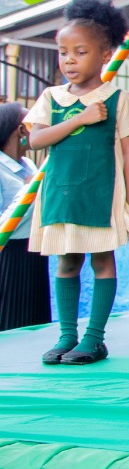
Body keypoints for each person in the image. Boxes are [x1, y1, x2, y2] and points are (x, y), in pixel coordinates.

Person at [25, 0, 129, 366]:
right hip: (61, 194)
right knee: (67, 262)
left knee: (103, 261)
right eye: (63, 53)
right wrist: (80, 118)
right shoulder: (51, 97)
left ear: (105, 55)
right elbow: (35, 139)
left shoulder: (117, 98)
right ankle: (66, 335)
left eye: (80, 52)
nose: (69, 61)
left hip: (100, 194)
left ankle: (94, 338)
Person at [0, 103, 47, 331]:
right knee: (10, 322)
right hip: (9, 256)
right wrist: (28, 191)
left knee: (34, 320)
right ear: (21, 130)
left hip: (33, 250)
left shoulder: (28, 165)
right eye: (34, 124)